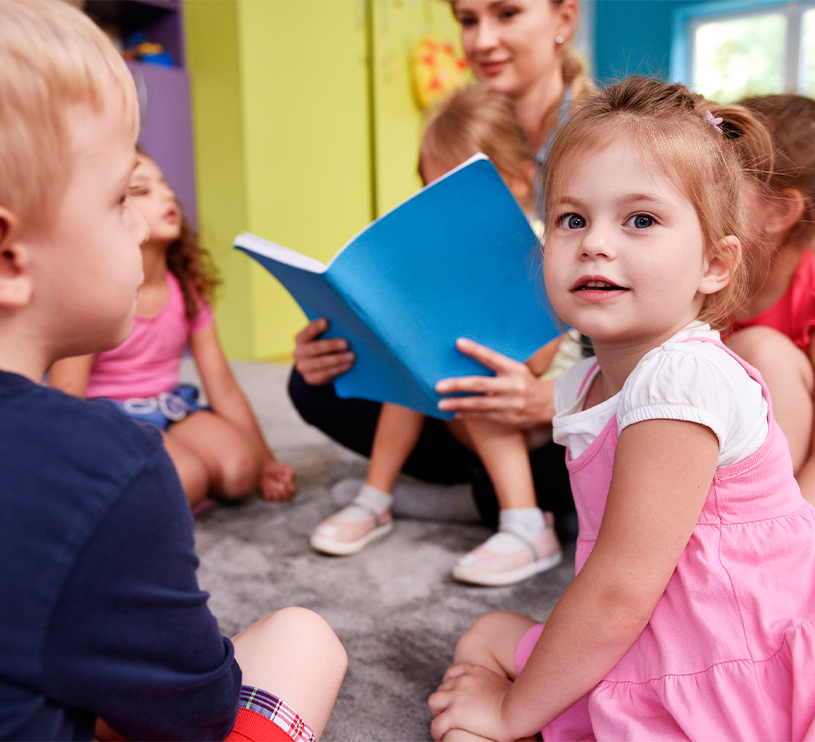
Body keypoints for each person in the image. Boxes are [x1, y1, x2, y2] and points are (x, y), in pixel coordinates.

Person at [0, 2, 345, 740]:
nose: (138, 227)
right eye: (117, 201)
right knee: (302, 638)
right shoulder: (102, 469)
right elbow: (196, 717)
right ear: (5, 256)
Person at [428, 78, 815, 741]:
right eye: (570, 219)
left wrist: (508, 711)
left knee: (481, 712)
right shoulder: (587, 381)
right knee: (487, 634)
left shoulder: (683, 379)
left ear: (715, 265)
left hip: (719, 673)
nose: (595, 243)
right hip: (657, 635)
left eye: (639, 219)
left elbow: (615, 592)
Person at [287, 0, 594, 533]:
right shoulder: (457, 128)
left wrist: (552, 399)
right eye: (468, 20)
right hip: (480, 397)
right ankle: (422, 496)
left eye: (507, 13)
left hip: (578, 399)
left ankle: (483, 505)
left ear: (564, 19)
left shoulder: (611, 142)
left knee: (622, 464)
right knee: (322, 381)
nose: (481, 41)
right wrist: (347, 334)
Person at [311, 86, 576, 587]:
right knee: (410, 361)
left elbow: (537, 359)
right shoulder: (450, 257)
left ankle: (526, 525)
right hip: (461, 408)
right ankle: (376, 499)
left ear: (521, 179)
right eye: (432, 194)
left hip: (543, 415)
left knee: (471, 372)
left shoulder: (545, 247)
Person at [49, 151, 296, 511]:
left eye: (165, 185)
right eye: (142, 190)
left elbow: (223, 388)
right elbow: (65, 398)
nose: (167, 195)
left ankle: (159, 490)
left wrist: (267, 459)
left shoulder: (186, 288)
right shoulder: (94, 295)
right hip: (109, 417)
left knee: (242, 470)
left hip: (169, 405)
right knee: (188, 478)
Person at [725, 94, 815, 507]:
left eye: (721, 191)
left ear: (781, 211)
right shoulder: (703, 269)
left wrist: (799, 529)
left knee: (765, 350)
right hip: (716, 465)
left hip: (791, 490)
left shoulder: (809, 286)